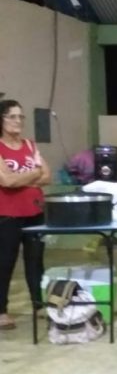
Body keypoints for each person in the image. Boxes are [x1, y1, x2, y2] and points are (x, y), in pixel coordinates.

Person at [0, 99, 51, 330]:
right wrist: (33, 173)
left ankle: (39, 304)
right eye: (12, 116)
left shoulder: (30, 145)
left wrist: (22, 179)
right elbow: (7, 181)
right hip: (7, 214)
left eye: (21, 116)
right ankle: (1, 311)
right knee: (5, 262)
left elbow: (47, 176)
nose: (18, 121)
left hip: (35, 212)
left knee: (36, 261)